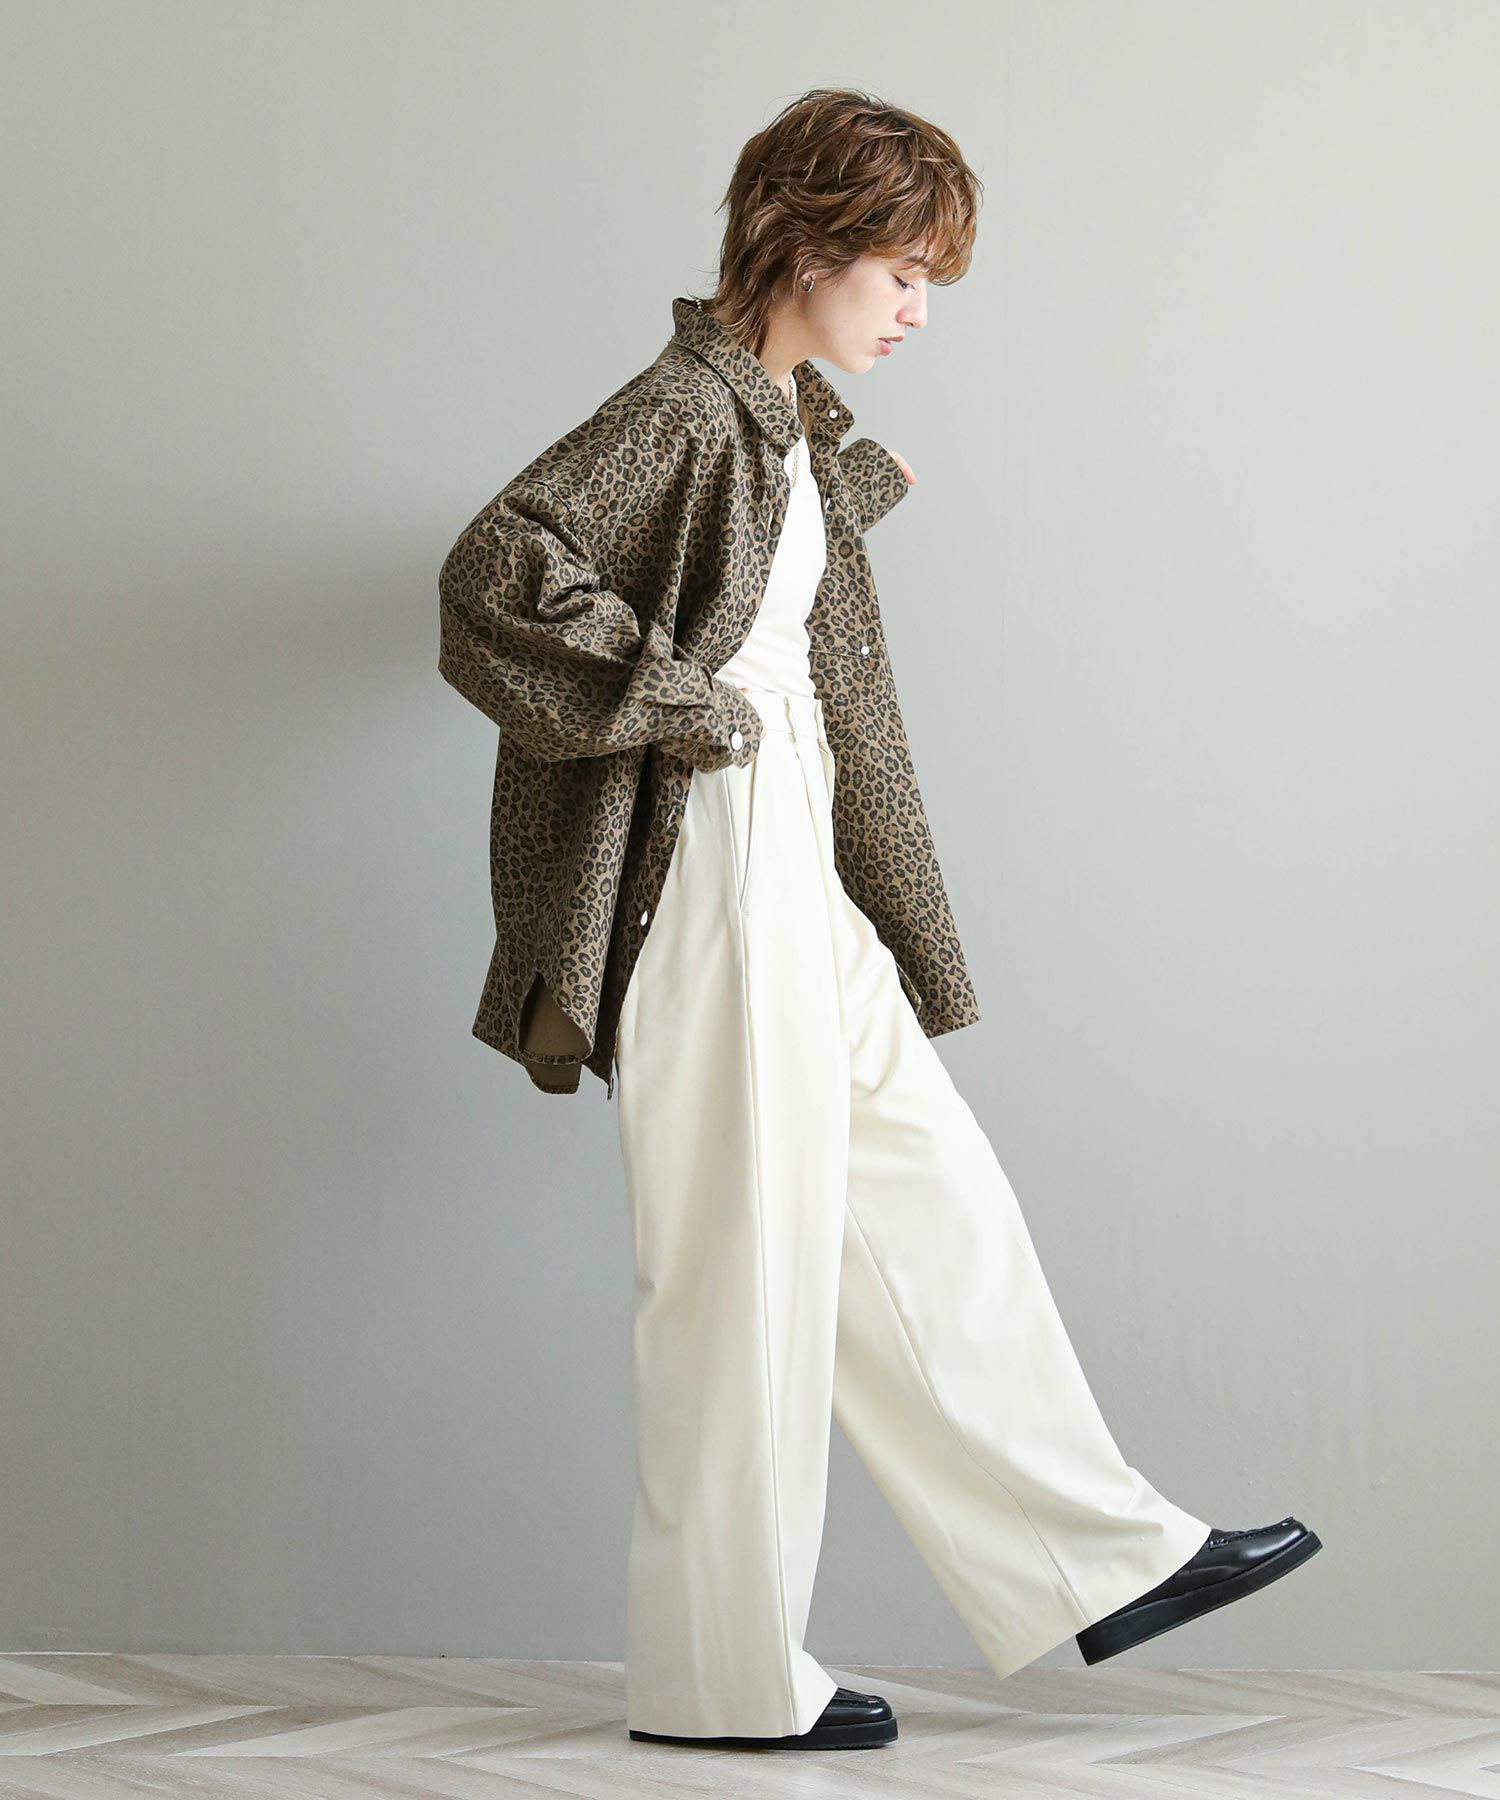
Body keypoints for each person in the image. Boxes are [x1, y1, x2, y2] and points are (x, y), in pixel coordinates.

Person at [437, 86, 1321, 1754]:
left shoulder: (775, 418)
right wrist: (676, 702)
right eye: (904, 272)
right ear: (807, 245)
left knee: (929, 1201)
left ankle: (1100, 1556)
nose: (920, 309)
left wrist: (842, 495)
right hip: (709, 860)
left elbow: (750, 574)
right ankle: (720, 1679)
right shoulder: (684, 405)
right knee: (741, 1270)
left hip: (791, 856)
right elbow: (495, 573)